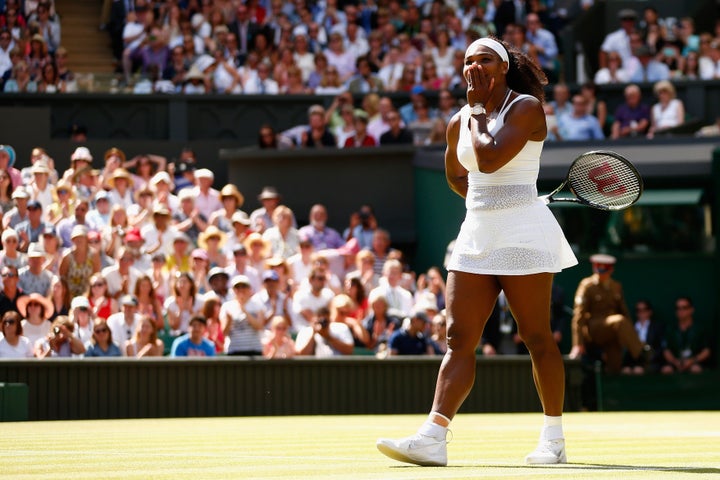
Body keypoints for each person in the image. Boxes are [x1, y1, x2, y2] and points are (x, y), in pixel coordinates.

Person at [376, 36, 578, 467]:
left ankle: (553, 438)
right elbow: (456, 175)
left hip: (524, 231)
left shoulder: (525, 107)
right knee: (457, 338)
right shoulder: (457, 121)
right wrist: (485, 203)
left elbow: (488, 160)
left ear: (503, 67)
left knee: (536, 337)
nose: (474, 66)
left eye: (484, 59)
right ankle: (433, 435)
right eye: (468, 60)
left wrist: (480, 114)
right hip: (477, 233)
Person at [569, 254, 649, 374]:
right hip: (594, 329)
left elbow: (624, 312)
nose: (600, 274)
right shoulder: (587, 285)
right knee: (620, 320)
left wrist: (629, 336)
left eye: (604, 270)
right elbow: (578, 316)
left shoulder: (616, 286)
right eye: (598, 269)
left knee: (615, 366)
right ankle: (641, 354)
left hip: (612, 331)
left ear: (611, 270)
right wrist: (577, 344)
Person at [661, 296, 712, 374]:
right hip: (676, 363)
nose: (681, 311)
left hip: (695, 363)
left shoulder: (700, 329)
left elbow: (706, 351)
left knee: (696, 369)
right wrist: (675, 362)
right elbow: (666, 350)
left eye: (684, 308)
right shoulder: (670, 329)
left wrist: (692, 361)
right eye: (678, 308)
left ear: (691, 309)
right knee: (666, 369)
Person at [622, 300, 665, 374]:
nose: (641, 313)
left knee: (638, 370)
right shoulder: (631, 328)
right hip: (633, 361)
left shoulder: (657, 327)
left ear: (650, 311)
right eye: (638, 310)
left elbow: (660, 347)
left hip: (652, 362)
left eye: (644, 310)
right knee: (626, 370)